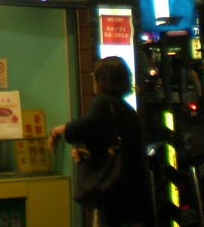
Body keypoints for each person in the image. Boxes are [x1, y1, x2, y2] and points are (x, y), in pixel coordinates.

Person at [48, 57, 152, 227]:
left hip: (116, 198)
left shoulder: (103, 102)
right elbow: (120, 149)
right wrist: (89, 154)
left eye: (95, 77)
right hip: (136, 195)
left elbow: (83, 127)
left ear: (103, 80)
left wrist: (56, 132)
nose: (93, 82)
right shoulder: (128, 110)